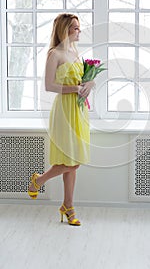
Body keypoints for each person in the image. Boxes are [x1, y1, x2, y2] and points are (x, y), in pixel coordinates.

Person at [28, 13, 94, 226]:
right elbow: (49, 86)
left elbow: (82, 80)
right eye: (75, 28)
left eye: (78, 27)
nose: (79, 31)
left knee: (73, 162)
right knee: (69, 162)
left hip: (79, 110)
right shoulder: (54, 54)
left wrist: (88, 85)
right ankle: (38, 181)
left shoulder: (75, 52)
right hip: (64, 110)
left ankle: (68, 206)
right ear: (64, 30)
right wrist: (76, 88)